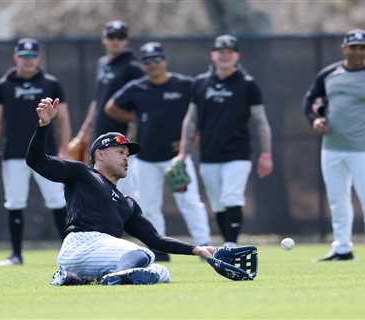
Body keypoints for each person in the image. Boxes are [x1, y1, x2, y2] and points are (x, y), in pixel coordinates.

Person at [25, 97, 257, 285]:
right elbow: (37, 161)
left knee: (161, 273)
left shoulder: (127, 204)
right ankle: (111, 277)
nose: (126, 158)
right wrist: (43, 126)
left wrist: (198, 249)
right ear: (100, 155)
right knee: (144, 256)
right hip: (81, 244)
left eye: (127, 155)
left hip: (101, 254)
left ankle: (77, 280)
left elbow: (154, 238)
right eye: (120, 152)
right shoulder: (82, 174)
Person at [105, 42, 211, 261]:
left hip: (176, 159)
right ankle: (160, 248)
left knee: (189, 202)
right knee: (149, 205)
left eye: (156, 60)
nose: (152, 65)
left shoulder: (184, 85)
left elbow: (203, 111)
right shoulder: (138, 87)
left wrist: (192, 138)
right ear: (143, 65)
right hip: (145, 158)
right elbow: (111, 106)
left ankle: (204, 245)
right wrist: (136, 118)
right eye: (147, 61)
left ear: (165, 61)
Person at [176, 35, 273, 248]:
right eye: (221, 52)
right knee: (218, 203)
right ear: (213, 55)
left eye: (229, 52)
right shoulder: (200, 83)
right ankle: (227, 242)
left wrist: (266, 154)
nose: (225, 56)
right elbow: (190, 120)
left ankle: (230, 245)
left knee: (231, 196)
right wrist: (183, 152)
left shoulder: (248, 85)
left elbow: (261, 122)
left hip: (238, 153)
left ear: (237, 56)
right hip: (209, 154)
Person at [0, 38, 71, 267]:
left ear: (39, 58)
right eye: (24, 56)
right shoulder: (4, 85)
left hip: (46, 153)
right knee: (14, 202)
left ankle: (70, 251)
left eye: (32, 56)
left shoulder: (51, 83)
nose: (28, 60)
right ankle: (16, 255)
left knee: (57, 200)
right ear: (16, 57)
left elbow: (63, 119)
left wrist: (64, 148)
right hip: (14, 153)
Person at [303, 29, 365, 261]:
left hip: (362, 149)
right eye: (354, 47)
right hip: (332, 148)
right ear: (344, 48)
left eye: (362, 47)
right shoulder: (329, 74)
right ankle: (342, 248)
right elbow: (311, 101)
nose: (358, 52)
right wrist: (315, 119)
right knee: (337, 200)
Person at [73, 20, 143, 197]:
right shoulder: (103, 63)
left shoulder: (133, 67)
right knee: (102, 187)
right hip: (102, 134)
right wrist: (84, 131)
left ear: (126, 40)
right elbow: (98, 99)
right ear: (104, 39)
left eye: (120, 37)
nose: (116, 41)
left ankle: (134, 224)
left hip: (121, 137)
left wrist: (134, 130)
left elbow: (142, 103)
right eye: (112, 36)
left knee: (127, 191)